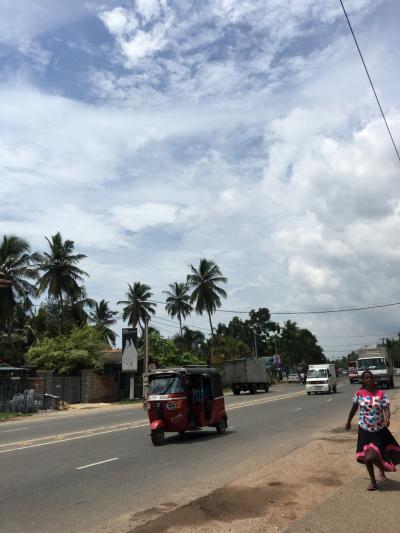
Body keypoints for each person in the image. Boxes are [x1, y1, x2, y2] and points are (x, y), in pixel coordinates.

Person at [345, 370, 400, 490]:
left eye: (370, 377)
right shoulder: (359, 394)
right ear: (363, 380)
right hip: (364, 428)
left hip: (379, 428)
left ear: (373, 379)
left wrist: (387, 418)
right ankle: (373, 481)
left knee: (379, 452)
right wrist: (348, 422)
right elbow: (354, 408)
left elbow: (386, 408)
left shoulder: (381, 394)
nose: (368, 379)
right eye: (366, 378)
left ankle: (382, 470)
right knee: (368, 456)